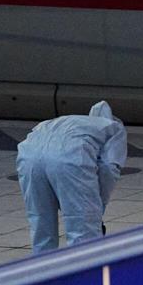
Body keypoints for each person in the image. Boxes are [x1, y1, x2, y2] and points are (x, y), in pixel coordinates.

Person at [16, 101, 127, 254]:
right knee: (82, 229)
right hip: (69, 156)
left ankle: (42, 271)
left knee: (41, 223)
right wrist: (97, 204)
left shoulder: (74, 122)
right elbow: (109, 167)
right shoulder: (114, 128)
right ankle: (85, 273)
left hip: (29, 155)